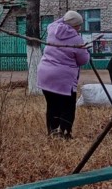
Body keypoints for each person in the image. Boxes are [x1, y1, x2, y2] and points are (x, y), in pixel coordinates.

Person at [37, 10, 90, 139]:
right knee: (68, 107)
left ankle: (52, 132)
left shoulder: (52, 30)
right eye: (78, 25)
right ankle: (66, 134)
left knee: (52, 105)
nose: (79, 27)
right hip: (63, 78)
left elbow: (60, 21)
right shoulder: (76, 39)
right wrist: (86, 52)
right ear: (72, 25)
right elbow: (83, 60)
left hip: (45, 75)